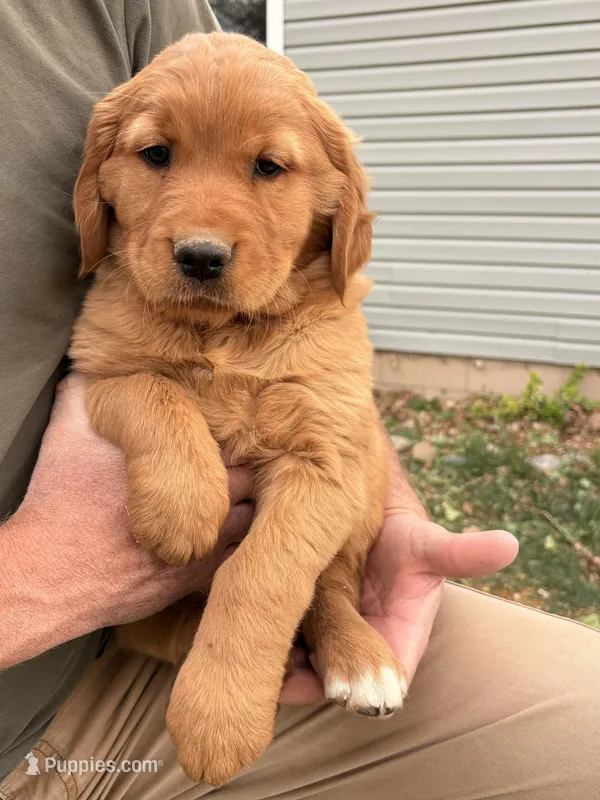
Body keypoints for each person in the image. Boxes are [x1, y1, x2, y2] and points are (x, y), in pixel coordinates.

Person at [0, 2, 597, 798]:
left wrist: (368, 532)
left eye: (268, 168)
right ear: (96, 185)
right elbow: (107, 377)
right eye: (157, 155)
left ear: (338, 209)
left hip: (118, 667)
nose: (202, 234)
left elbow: (329, 461)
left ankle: (332, 614)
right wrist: (54, 561)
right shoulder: (124, 304)